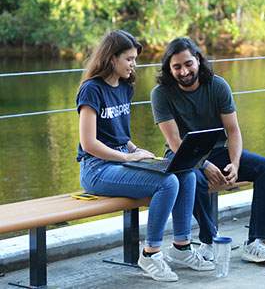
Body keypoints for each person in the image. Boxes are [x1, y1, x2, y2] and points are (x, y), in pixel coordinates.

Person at [76, 30, 214, 282]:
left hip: (119, 161)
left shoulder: (124, 87)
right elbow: (89, 143)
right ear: (111, 59)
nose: (133, 65)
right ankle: (150, 253)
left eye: (134, 59)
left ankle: (182, 247)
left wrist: (134, 150)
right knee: (167, 182)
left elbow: (116, 134)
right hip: (96, 168)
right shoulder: (91, 90)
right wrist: (128, 158)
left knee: (185, 173)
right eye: (129, 59)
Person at [151, 37, 265, 264]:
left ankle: (256, 242)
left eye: (188, 63)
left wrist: (235, 163)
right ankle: (209, 240)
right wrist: (204, 164)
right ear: (169, 69)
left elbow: (233, 131)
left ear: (198, 60)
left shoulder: (218, 85)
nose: (184, 71)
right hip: (182, 154)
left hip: (217, 151)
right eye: (177, 67)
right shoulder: (161, 93)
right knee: (195, 179)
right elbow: (173, 141)